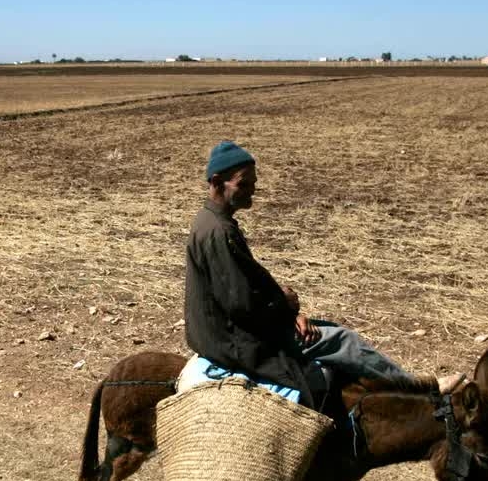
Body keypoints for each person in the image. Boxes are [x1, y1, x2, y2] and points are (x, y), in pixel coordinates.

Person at [184, 140, 430, 406]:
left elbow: (243, 288)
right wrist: (285, 308)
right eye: (244, 184)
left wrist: (287, 310)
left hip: (222, 334)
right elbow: (242, 305)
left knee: (329, 333)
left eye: (254, 183)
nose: (253, 190)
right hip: (234, 342)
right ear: (218, 182)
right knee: (343, 341)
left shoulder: (209, 222)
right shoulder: (220, 233)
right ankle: (418, 392)